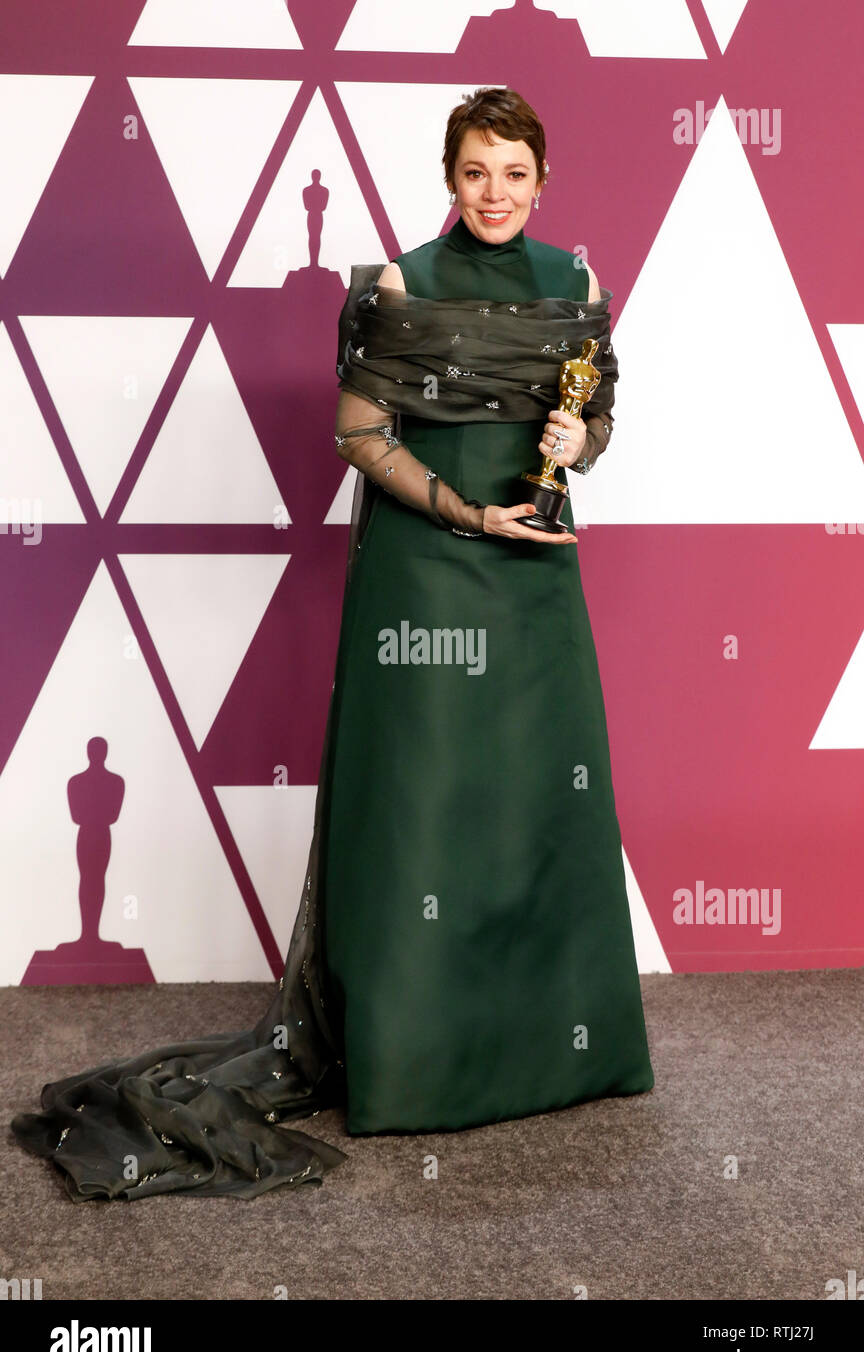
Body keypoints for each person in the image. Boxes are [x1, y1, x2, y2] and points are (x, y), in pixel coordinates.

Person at [10, 87, 653, 1201]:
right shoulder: (399, 284)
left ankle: (558, 1051)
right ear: (447, 179)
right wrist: (463, 512)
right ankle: (417, 1066)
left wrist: (577, 439)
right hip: (430, 568)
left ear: (544, 179)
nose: (494, 193)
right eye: (474, 172)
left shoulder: (579, 285)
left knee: (537, 797)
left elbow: (600, 410)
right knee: (424, 801)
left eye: (514, 173)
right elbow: (357, 431)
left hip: (537, 570)